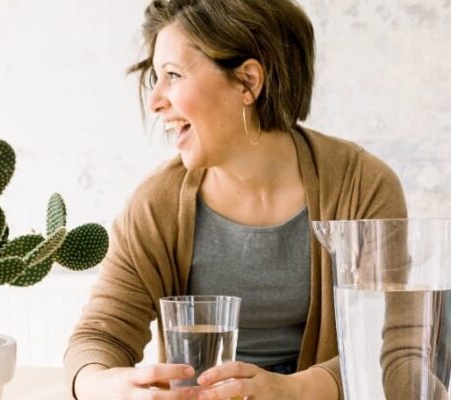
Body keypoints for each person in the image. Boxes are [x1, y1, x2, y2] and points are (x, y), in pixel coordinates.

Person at [64, 0, 407, 399]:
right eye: (156, 78)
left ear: (247, 82)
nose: (155, 100)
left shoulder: (361, 186)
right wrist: (102, 385)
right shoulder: (156, 204)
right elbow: (98, 335)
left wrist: (295, 390)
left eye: (173, 75)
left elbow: (395, 346)